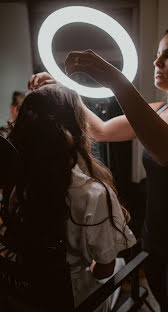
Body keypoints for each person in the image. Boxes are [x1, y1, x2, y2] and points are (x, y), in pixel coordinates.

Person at [29, 24, 168, 312]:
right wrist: (64, 90)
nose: (157, 62)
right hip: (155, 236)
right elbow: (100, 130)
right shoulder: (158, 110)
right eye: (157, 54)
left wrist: (115, 80)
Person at [0, 84, 136, 311]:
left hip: (22, 294)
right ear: (76, 129)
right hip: (72, 301)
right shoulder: (93, 194)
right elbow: (104, 269)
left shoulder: (16, 182)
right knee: (120, 262)